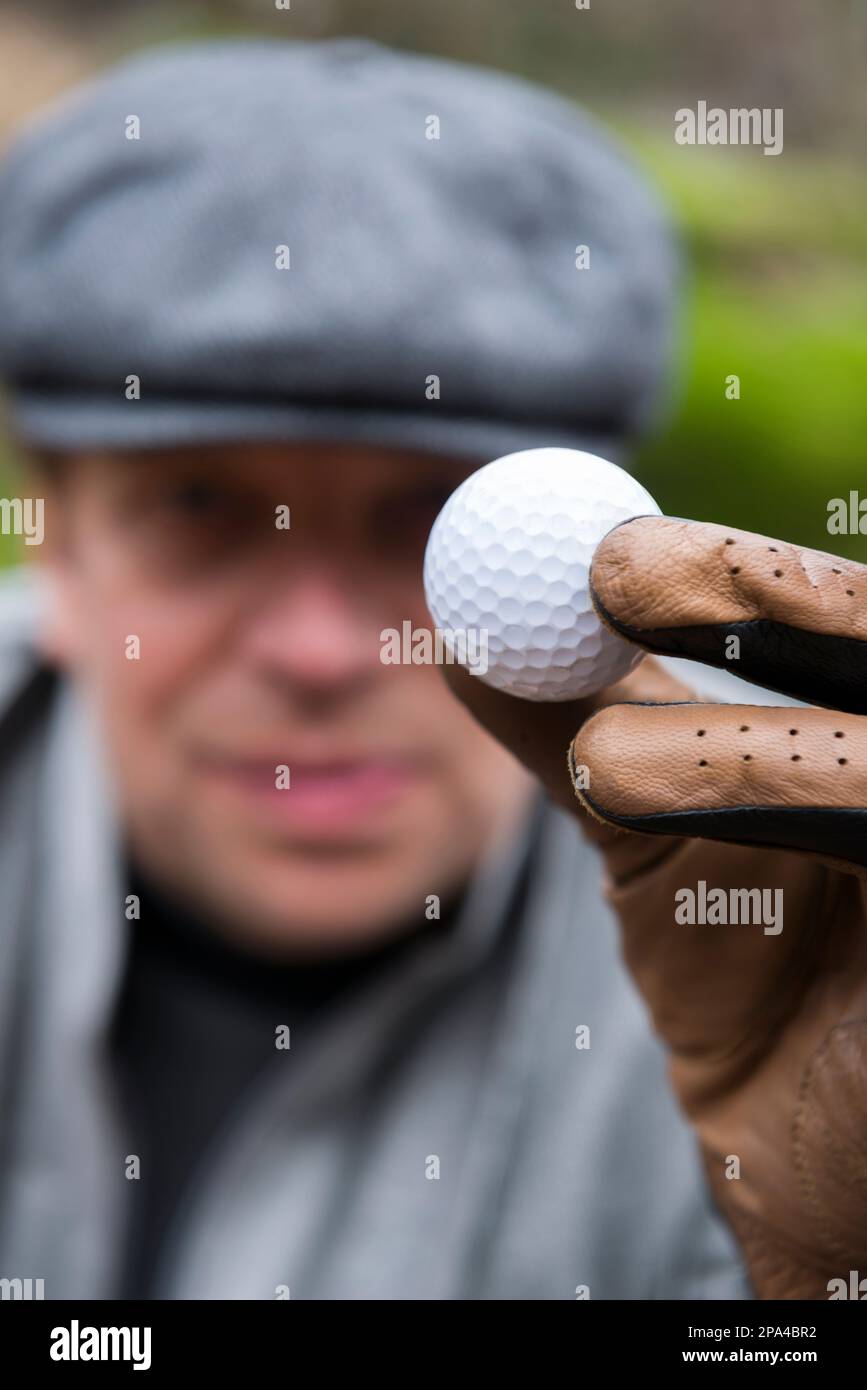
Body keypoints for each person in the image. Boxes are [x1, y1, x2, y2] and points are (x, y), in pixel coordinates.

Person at [0, 38, 748, 1300]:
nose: (321, 650)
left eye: (434, 522)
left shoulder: (790, 918)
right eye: (201, 506)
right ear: (57, 547)